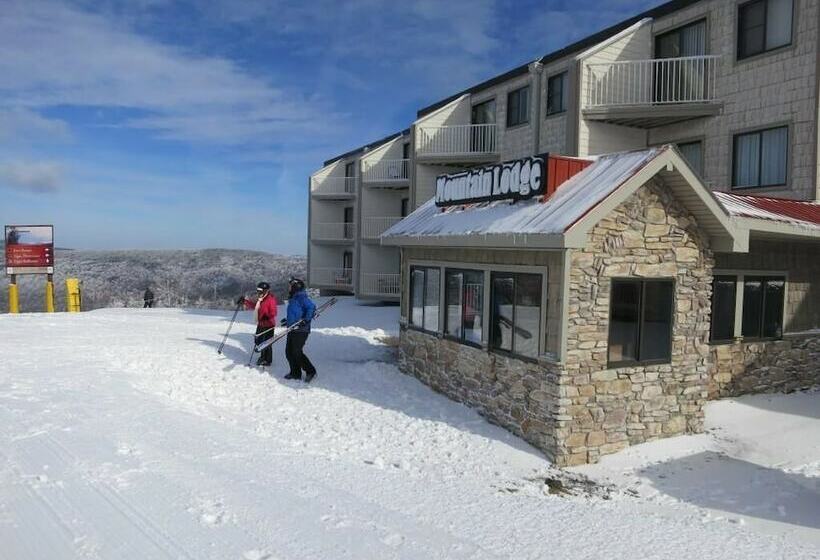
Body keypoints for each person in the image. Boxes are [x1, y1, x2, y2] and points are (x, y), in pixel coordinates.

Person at [283, 277, 317, 382]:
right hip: (293, 328)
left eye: (290, 286)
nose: (289, 288)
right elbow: (295, 312)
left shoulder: (301, 297)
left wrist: (306, 320)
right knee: (289, 352)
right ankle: (295, 373)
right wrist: (288, 321)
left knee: (296, 352)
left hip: (301, 330)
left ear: (295, 287)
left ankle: (311, 371)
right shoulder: (294, 298)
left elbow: (311, 307)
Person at [238, 281, 278, 367]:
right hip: (261, 323)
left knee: (267, 343)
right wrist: (245, 301)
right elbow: (255, 306)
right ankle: (262, 356)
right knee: (259, 341)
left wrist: (266, 317)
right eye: (258, 291)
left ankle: (267, 360)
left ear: (265, 291)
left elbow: (274, 312)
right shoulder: (261, 299)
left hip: (269, 325)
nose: (258, 293)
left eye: (260, 291)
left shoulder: (270, 299)